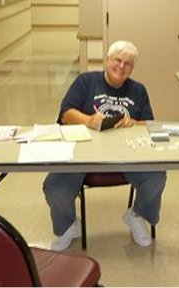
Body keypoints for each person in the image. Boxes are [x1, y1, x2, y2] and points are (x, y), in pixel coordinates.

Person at [42, 40, 166, 250]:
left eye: (128, 63)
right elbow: (66, 113)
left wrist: (134, 122)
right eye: (117, 60)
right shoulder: (86, 81)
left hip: (127, 155)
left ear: (132, 68)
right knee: (54, 187)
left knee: (157, 177)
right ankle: (68, 226)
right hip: (83, 154)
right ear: (107, 61)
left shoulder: (138, 90)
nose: (121, 66)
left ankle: (137, 215)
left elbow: (149, 123)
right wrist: (88, 120)